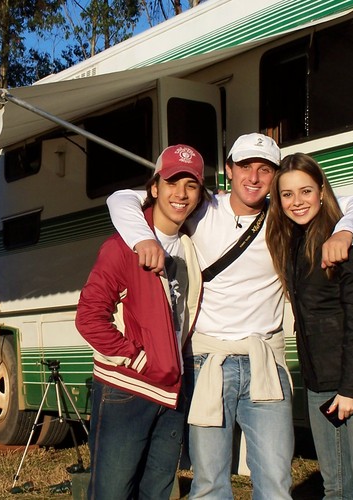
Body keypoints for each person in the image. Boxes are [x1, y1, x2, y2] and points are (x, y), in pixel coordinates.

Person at [106, 133, 353, 499]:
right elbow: (122, 198)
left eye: (264, 169)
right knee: (210, 484)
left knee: (275, 483)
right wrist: (143, 238)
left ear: (275, 176)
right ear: (229, 171)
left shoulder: (283, 216)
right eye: (245, 166)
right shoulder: (202, 208)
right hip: (207, 361)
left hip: (265, 360)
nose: (254, 177)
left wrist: (344, 232)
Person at [76, 145, 207, 499]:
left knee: (158, 491)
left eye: (190, 185)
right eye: (172, 182)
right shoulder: (120, 248)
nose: (180, 193)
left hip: (171, 391)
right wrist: (139, 358)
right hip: (126, 389)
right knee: (113, 492)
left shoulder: (189, 247)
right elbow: (88, 318)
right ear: (154, 188)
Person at [265, 152, 353, 500]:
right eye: (287, 194)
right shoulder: (293, 241)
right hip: (320, 381)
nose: (297, 201)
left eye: (305, 191)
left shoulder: (349, 245)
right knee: (336, 487)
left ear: (322, 190)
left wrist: (351, 389)